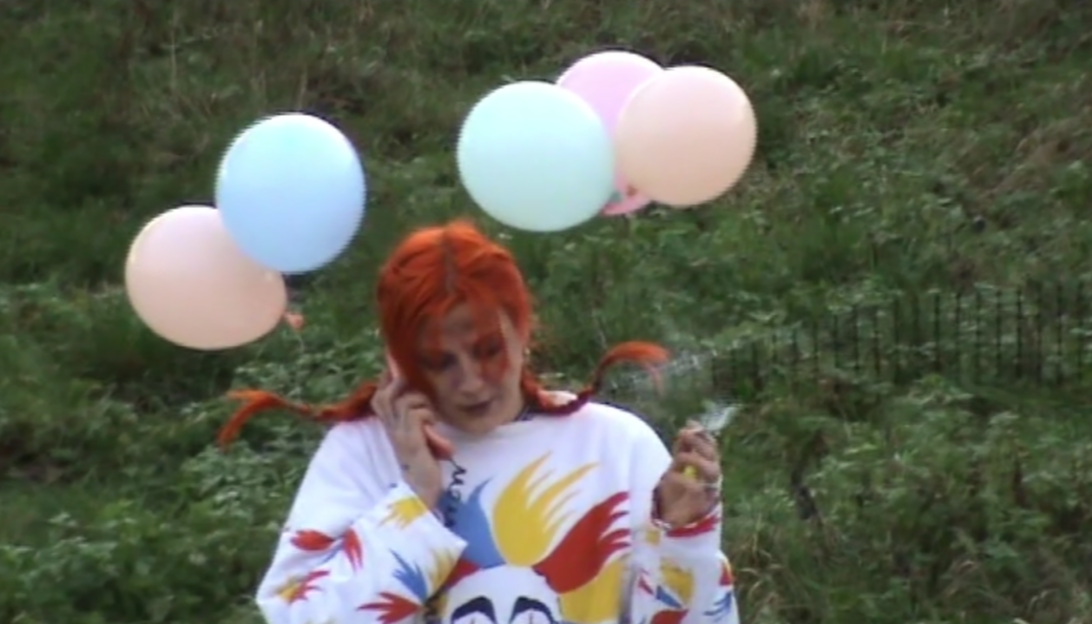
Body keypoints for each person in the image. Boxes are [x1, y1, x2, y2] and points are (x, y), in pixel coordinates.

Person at [220, 219, 741, 624]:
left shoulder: (615, 445)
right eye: (440, 361)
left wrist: (683, 539)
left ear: (522, 329)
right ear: (400, 363)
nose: (470, 382)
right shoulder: (363, 454)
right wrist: (414, 501)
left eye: (487, 349)